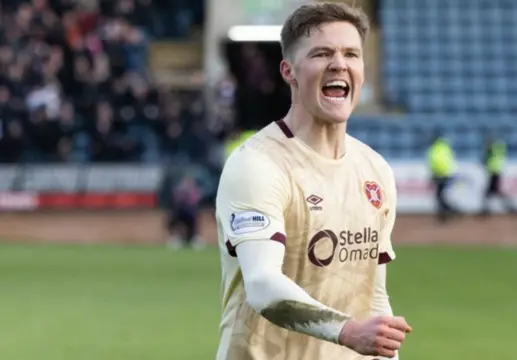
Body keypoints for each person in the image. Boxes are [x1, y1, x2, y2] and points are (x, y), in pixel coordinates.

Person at [214, 3, 412, 359]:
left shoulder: (375, 170)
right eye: (322, 53)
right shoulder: (257, 166)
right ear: (288, 71)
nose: (339, 64)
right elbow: (262, 286)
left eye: (351, 53)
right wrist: (348, 331)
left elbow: (374, 296)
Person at [480, 135, 517, 216]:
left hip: (494, 170)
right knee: (493, 191)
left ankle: (486, 209)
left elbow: (485, 158)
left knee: (493, 191)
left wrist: (486, 150)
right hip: (496, 170)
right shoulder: (498, 148)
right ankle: (487, 209)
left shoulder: (491, 149)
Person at [427, 131, 459, 223]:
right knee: (440, 196)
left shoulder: (433, 150)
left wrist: (433, 174)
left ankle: (448, 212)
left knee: (440, 196)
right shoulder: (444, 146)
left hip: (442, 174)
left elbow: (434, 163)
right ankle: (447, 212)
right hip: (446, 173)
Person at [167, 175, 203, 249]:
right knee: (172, 221)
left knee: (193, 222)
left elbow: (196, 201)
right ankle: (175, 238)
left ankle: (192, 238)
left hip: (190, 215)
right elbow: (174, 200)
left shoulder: (195, 191)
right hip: (179, 213)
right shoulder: (179, 191)